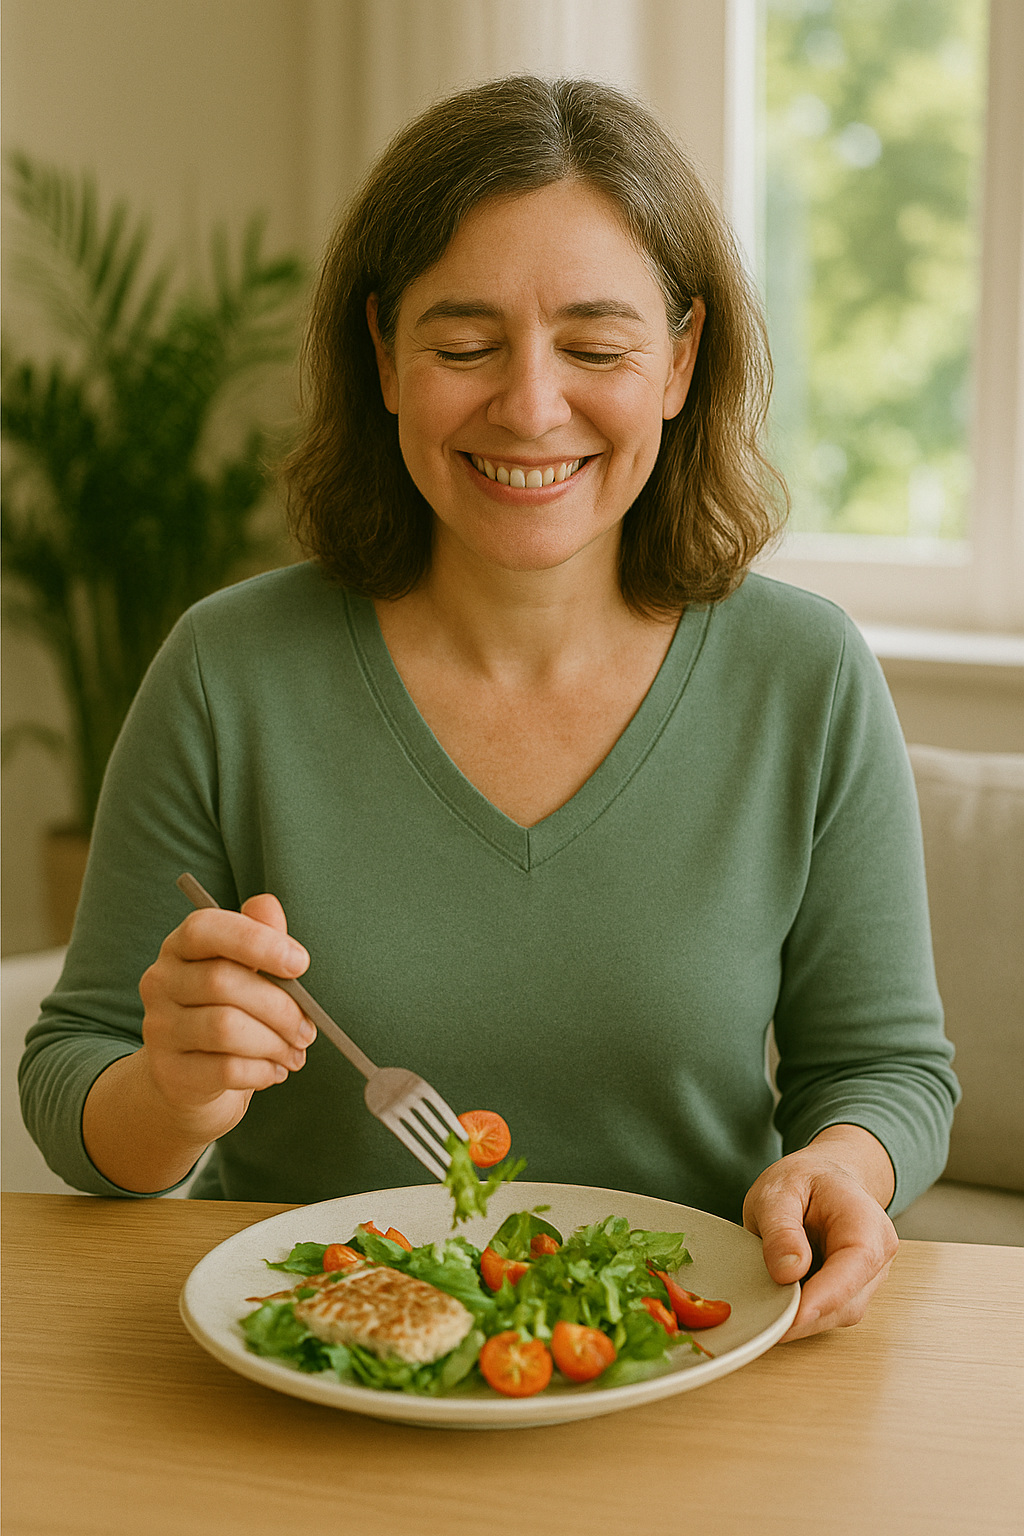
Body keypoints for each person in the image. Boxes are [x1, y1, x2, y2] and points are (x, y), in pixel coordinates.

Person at [21, 77, 957, 1342]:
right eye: (463, 346)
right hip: (321, 1368)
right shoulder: (226, 670)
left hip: (685, 1349)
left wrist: (838, 1166)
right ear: (383, 357)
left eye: (596, 348)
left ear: (681, 360)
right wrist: (172, 1095)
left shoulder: (806, 674)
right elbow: (73, 1079)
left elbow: (886, 1070)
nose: (529, 407)